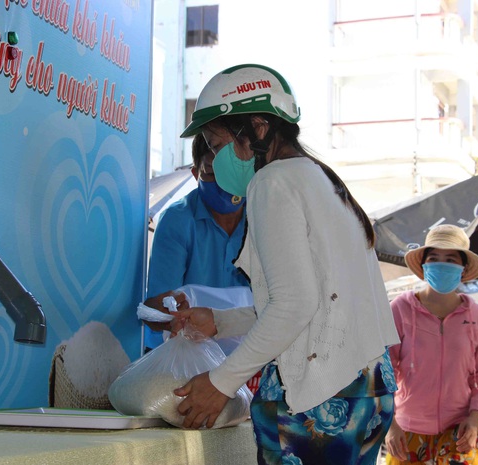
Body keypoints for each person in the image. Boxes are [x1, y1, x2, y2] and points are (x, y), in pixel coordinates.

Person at [170, 64, 400, 465]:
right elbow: (316, 303)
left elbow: (294, 305)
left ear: (257, 129)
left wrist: (221, 382)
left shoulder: (272, 182)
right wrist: (222, 322)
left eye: (216, 143)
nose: (212, 158)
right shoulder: (320, 179)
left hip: (317, 398)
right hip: (368, 389)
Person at [384, 224, 478, 465]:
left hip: (461, 430)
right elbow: (383, 372)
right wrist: (389, 424)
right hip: (406, 429)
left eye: (450, 258)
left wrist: (476, 418)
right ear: (424, 266)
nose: (441, 263)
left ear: (463, 268)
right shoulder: (400, 309)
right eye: (434, 257)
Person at [142, 133, 248, 350]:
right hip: (186, 353)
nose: (223, 183)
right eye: (211, 172)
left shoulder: (263, 217)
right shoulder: (177, 220)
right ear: (195, 173)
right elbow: (153, 310)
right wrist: (171, 312)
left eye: (231, 173)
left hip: (249, 358)